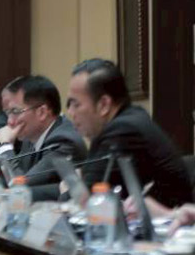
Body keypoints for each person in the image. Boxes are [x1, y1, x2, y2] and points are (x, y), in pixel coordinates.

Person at [66, 59, 191, 208]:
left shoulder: (122, 131)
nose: (70, 113)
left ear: (104, 105)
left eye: (76, 104)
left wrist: (66, 189)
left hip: (173, 220)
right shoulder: (131, 118)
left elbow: (84, 202)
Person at [0, 75, 86, 200]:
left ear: (42, 112)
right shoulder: (30, 136)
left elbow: (20, 190)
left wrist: (4, 147)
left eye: (15, 112)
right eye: (7, 113)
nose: (9, 121)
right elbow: (10, 181)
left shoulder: (64, 141)